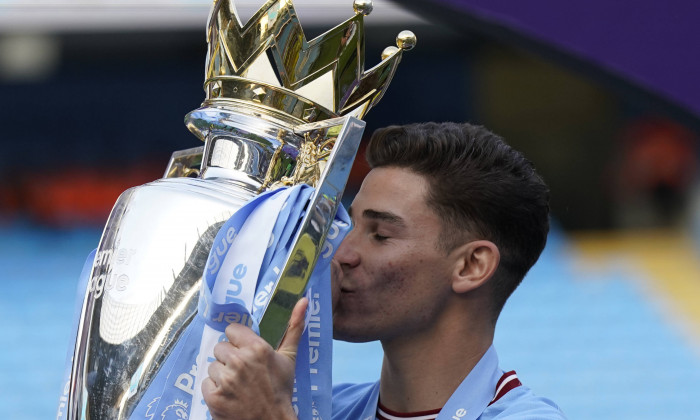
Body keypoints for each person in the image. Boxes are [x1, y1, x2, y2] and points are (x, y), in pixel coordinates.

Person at [202, 121, 566, 419]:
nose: (341, 253)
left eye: (380, 234)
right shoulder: (324, 410)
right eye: (347, 227)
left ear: (471, 266)